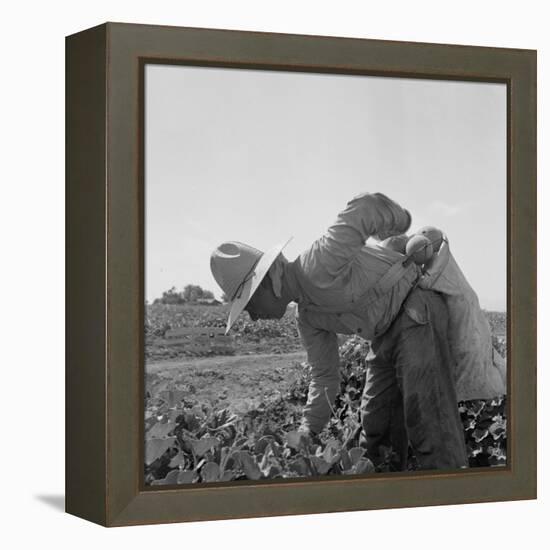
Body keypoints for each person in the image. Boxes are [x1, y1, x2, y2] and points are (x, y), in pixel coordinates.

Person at [210, 192, 469, 471]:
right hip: (384, 333)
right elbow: (324, 378)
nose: (252, 315)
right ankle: (390, 498)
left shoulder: (318, 263)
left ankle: (455, 496)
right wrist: (308, 431)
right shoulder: (308, 318)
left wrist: (401, 222)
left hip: (417, 312)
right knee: (376, 426)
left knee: (428, 419)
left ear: (270, 279)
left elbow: (365, 207)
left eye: (248, 302)